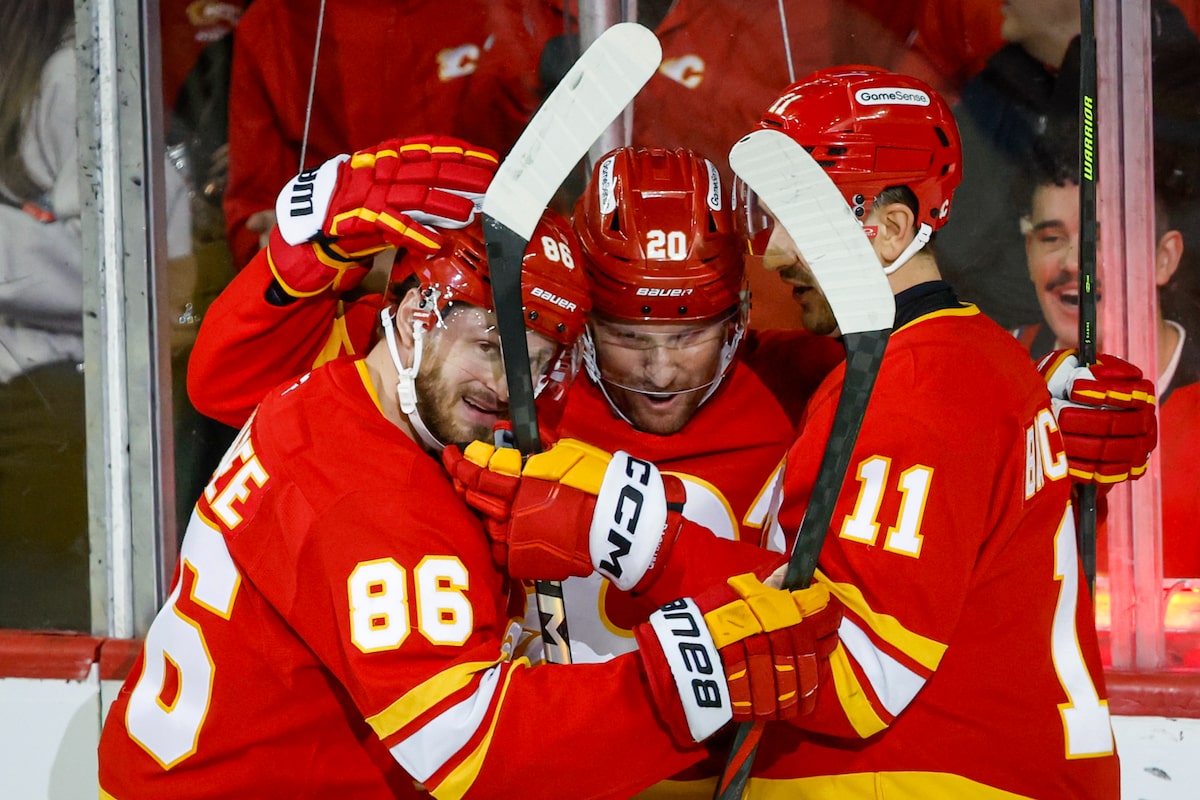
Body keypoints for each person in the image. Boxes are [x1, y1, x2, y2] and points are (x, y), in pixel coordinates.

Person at [98, 134, 842, 798]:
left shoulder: (414, 398)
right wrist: (306, 244)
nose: (658, 369)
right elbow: (470, 750)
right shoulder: (385, 468)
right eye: (624, 332)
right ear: (418, 314)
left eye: (691, 331)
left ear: (740, 321)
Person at [451, 66, 1123, 797]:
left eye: (797, 219)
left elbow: (854, 672)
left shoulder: (918, 383)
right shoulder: (915, 368)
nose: (772, 254)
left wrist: (629, 532)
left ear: (891, 227)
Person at [0, 0, 193, 630]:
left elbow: (146, 265)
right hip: (51, 395)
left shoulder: (66, 76)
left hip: (60, 395)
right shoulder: (65, 80)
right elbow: (161, 265)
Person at [1018, 115, 1200, 576]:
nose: (1074, 262)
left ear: (1165, 258)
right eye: (1052, 237)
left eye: (1099, 237)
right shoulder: (987, 381)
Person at [222, 0, 497, 268]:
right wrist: (298, 249)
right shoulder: (276, 23)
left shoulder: (500, 9)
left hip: (499, 262)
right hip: (351, 289)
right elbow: (255, 216)